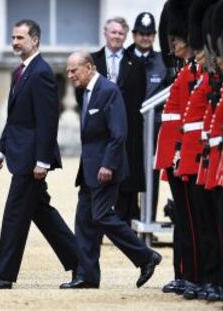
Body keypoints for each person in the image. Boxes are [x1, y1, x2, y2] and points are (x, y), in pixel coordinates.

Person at [0, 19, 78, 290]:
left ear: (35, 41)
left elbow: (48, 121)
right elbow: (14, 119)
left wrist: (42, 161)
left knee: (14, 215)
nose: (15, 42)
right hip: (20, 155)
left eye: (20, 38)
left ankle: (4, 275)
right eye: (13, 38)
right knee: (43, 214)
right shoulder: (20, 72)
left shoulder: (42, 72)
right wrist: (1, 149)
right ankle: (83, 263)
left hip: (32, 160)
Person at [60, 51, 161, 289]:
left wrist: (108, 164)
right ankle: (87, 276)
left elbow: (119, 133)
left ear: (90, 67)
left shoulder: (108, 90)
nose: (70, 74)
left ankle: (146, 257)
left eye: (74, 70)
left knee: (102, 216)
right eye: (68, 70)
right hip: (88, 170)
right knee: (84, 221)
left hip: (106, 169)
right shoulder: (86, 92)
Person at [90, 17, 147, 225]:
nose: (116, 37)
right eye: (113, 32)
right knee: (97, 174)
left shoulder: (136, 63)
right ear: (105, 34)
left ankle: (124, 220)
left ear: (126, 36)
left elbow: (140, 96)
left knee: (126, 176)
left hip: (127, 128)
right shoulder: (93, 61)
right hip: (99, 127)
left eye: (120, 33)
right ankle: (98, 220)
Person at [127, 12, 170, 225]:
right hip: (129, 127)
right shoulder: (124, 58)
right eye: (141, 33)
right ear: (134, 35)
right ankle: (126, 221)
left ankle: (148, 220)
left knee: (152, 175)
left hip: (154, 127)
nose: (145, 38)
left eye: (149, 34)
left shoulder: (163, 62)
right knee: (127, 173)